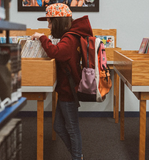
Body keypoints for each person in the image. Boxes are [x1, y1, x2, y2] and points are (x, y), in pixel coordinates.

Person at [31, 3, 93, 160]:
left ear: (57, 22)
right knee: (59, 126)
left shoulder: (69, 38)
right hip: (65, 90)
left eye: (50, 21)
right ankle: (76, 154)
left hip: (68, 91)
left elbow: (56, 53)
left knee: (72, 128)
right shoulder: (70, 36)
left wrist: (42, 37)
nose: (49, 25)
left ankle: (77, 157)